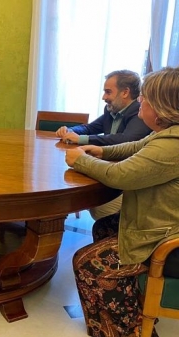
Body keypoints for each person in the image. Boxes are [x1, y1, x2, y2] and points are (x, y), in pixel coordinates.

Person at [65, 66, 179, 337]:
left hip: (166, 242)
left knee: (87, 263)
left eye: (147, 97)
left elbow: (119, 176)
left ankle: (124, 331)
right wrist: (101, 150)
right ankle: (128, 309)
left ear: (162, 108)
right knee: (104, 226)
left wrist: (82, 160)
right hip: (160, 225)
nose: (141, 100)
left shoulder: (172, 145)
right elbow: (136, 148)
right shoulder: (166, 135)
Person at [57, 70, 152, 221]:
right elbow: (90, 128)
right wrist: (71, 131)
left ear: (125, 92)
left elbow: (127, 140)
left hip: (127, 184)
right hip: (111, 173)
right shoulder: (112, 110)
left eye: (108, 92)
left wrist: (82, 140)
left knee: (92, 202)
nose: (104, 97)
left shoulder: (139, 113)